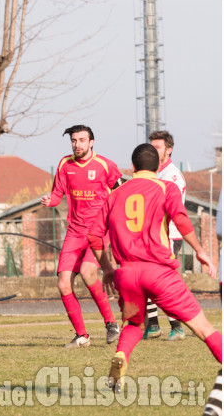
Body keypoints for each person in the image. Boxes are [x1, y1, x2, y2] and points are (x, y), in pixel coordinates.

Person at [87, 143, 221, 393]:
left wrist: (107, 269)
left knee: (134, 324)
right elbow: (180, 219)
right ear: (158, 166)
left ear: (133, 166)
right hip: (158, 272)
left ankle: (122, 356)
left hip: (126, 274)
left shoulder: (115, 194)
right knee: (204, 329)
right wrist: (201, 251)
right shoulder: (165, 187)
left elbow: (94, 236)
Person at [40, 125, 121, 348]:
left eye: (82, 140)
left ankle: (111, 323)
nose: (77, 144)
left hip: (98, 231)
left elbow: (120, 191)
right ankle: (82, 336)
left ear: (91, 142)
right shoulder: (65, 164)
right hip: (74, 232)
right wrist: (51, 200)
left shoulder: (105, 165)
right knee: (63, 284)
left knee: (87, 273)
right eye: (74, 141)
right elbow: (58, 193)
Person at [143, 130, 188, 340]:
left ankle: (177, 327)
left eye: (158, 147)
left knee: (160, 281)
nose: (153, 150)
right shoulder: (153, 172)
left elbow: (173, 210)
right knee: (147, 279)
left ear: (169, 150)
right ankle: (153, 325)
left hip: (169, 235)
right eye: (151, 146)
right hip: (153, 235)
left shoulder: (172, 176)